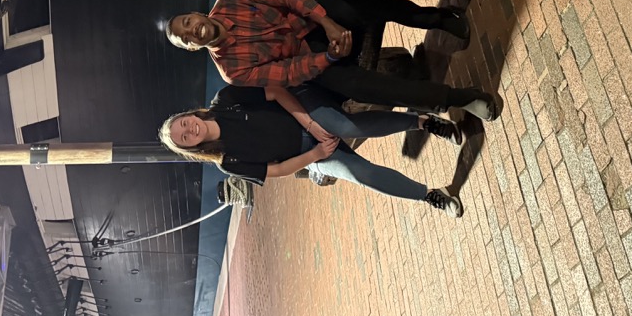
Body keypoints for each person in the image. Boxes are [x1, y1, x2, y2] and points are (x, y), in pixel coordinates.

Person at [164, 0, 500, 119]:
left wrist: (327, 23)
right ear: (193, 48)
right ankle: (459, 98)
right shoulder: (232, 70)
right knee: (363, 88)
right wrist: (329, 56)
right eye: (186, 38)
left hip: (315, 15)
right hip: (313, 58)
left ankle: (439, 18)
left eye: (187, 23)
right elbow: (288, 73)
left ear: (195, 14)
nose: (193, 31)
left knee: (360, 6)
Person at [159, 83, 466, 216]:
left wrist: (311, 126)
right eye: (184, 138)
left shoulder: (225, 100)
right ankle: (429, 195)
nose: (189, 131)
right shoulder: (228, 161)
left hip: (306, 113)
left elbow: (277, 93)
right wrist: (316, 156)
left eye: (184, 124)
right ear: (193, 148)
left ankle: (423, 122)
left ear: (190, 116)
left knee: (347, 127)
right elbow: (277, 170)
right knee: (361, 175)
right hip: (312, 154)